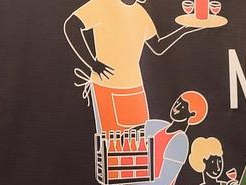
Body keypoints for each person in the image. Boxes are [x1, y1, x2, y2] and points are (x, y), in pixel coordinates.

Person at [64, 0, 200, 133]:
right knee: (114, 141)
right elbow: (71, 25)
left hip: (135, 88)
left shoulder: (141, 12)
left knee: (140, 139)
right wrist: (93, 64)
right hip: (107, 85)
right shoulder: (102, 4)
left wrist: (184, 30)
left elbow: (158, 46)